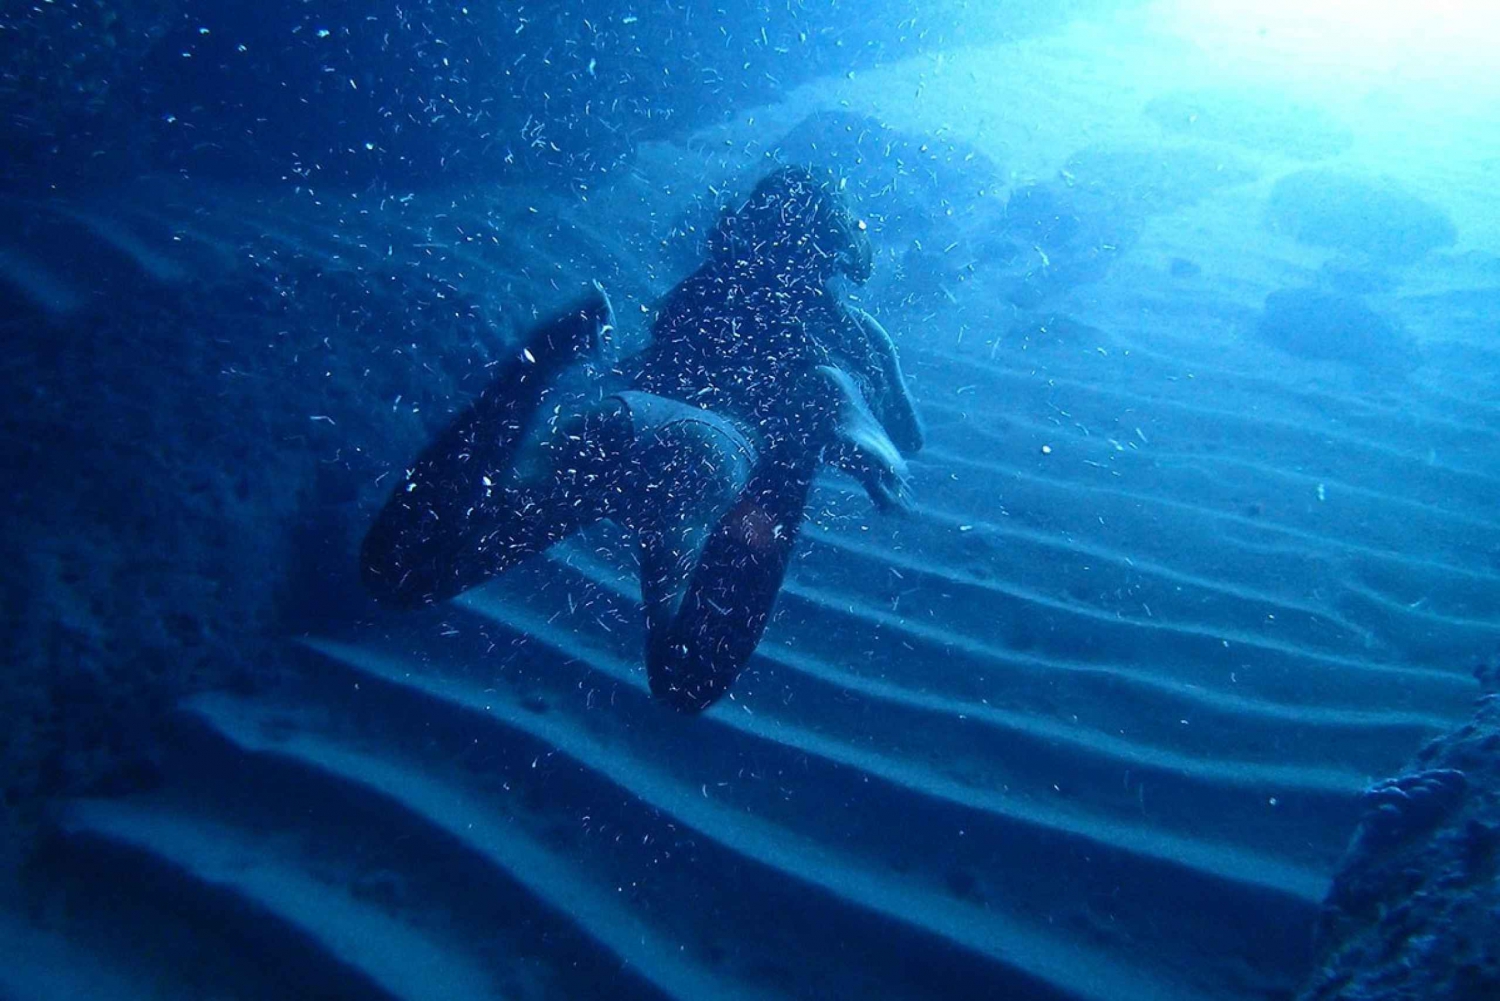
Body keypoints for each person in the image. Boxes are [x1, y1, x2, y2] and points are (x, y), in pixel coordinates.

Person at [361, 166, 923, 711]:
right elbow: (909, 437)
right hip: (712, 453)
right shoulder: (851, 327)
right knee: (686, 682)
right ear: (836, 246)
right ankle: (810, 421)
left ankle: (540, 363)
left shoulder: (706, 284)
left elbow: (658, 363)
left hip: (620, 422)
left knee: (404, 574)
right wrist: (871, 386)